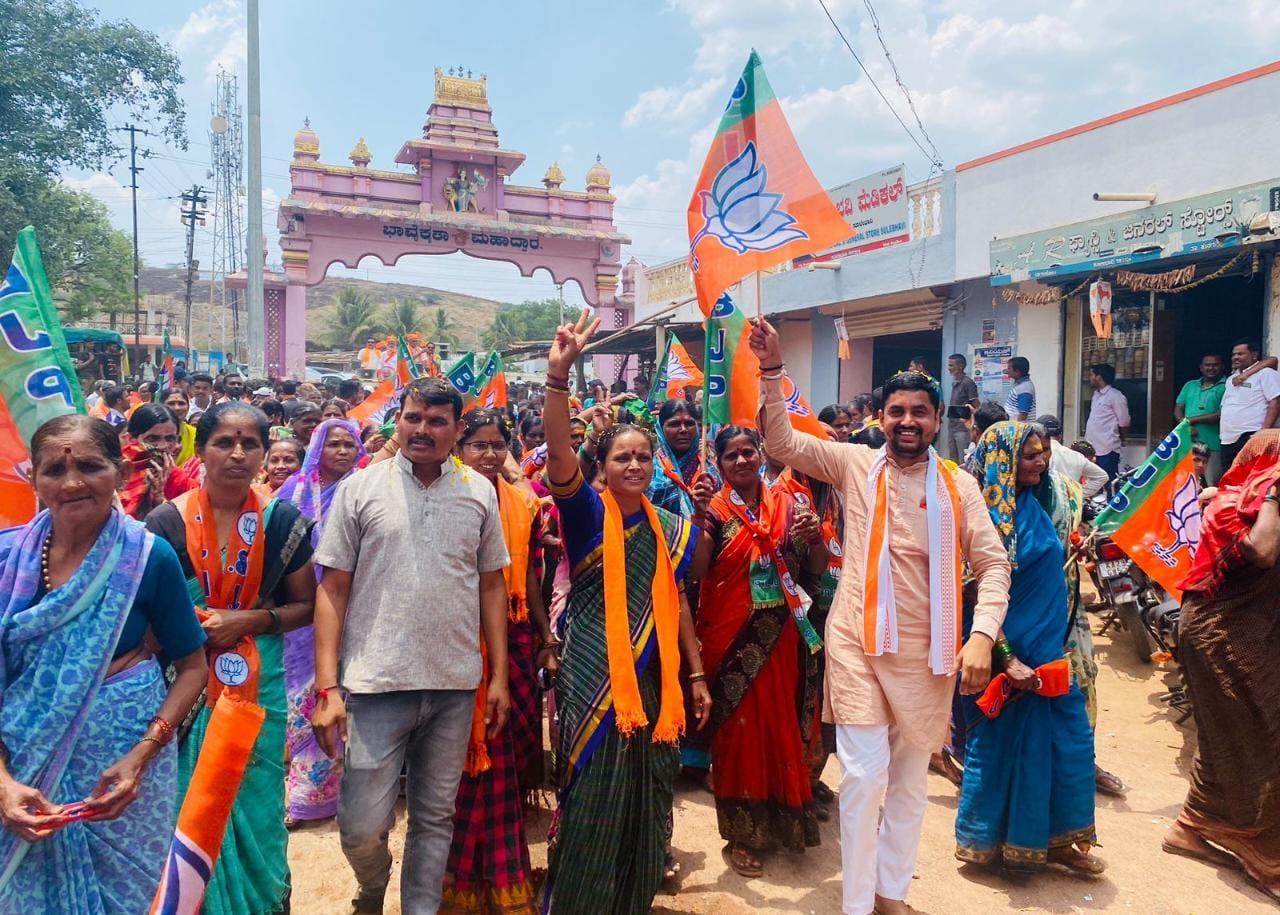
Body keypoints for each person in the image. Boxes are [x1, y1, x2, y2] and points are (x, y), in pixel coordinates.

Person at [748, 320, 1011, 915]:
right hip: (858, 643)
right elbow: (786, 445)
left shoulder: (959, 487)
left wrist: (981, 636)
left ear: (938, 419)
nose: (908, 421)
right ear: (882, 416)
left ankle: (892, 894)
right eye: (897, 411)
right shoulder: (853, 464)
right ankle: (859, 904)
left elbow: (993, 566)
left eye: (920, 411)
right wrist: (771, 371)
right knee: (865, 776)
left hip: (930, 654)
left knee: (912, 782)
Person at [309, 377, 512, 915]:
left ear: (456, 429)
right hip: (376, 684)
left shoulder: (479, 492)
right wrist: (327, 685)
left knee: (434, 817)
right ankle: (373, 886)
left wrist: (497, 679)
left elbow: (492, 584)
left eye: (436, 420)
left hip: (453, 685)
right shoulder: (359, 489)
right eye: (413, 418)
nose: (422, 430)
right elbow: (332, 589)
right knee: (360, 825)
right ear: (398, 420)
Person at [0, 415, 207, 913]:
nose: (72, 483)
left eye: (91, 466)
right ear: (34, 478)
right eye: (54, 470)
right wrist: (3, 786)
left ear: (118, 470)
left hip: (122, 781)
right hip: (18, 772)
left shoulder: (148, 557)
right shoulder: (5, 558)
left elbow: (193, 665)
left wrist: (142, 756)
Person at [540, 313, 711, 914]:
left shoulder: (673, 528)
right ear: (603, 467)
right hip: (593, 677)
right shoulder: (587, 516)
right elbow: (559, 451)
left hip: (653, 680)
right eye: (622, 458)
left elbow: (679, 600)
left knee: (646, 795)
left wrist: (693, 673)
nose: (634, 466)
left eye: (643, 456)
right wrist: (558, 377)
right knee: (592, 796)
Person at [144, 401, 318, 915]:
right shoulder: (163, 523)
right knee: (186, 799)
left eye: (251, 444)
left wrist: (248, 621)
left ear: (265, 452)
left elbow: (306, 606)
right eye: (224, 442)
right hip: (185, 680)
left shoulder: (282, 521)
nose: (238, 454)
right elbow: (148, 616)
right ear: (202, 449)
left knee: (255, 795)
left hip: (258, 681)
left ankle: (260, 903)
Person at [956, 422, 1101, 875]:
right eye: (1030, 455)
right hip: (1010, 656)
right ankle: (991, 843)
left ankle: (1055, 840)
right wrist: (1007, 658)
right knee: (1003, 747)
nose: (1041, 461)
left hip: (1050, 654)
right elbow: (975, 592)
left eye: (1042, 453)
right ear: (1003, 462)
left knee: (1066, 744)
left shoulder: (1034, 504)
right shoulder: (985, 520)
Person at [690, 425, 827, 878]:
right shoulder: (713, 509)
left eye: (749, 452)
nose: (743, 461)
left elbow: (817, 568)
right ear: (721, 463)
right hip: (731, 641)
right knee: (740, 736)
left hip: (783, 638)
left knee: (780, 727)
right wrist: (697, 516)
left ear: (762, 453)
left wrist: (815, 539)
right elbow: (699, 570)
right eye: (732, 456)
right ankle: (743, 834)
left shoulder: (790, 504)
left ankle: (786, 819)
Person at [443, 409, 557, 914]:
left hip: (510, 634)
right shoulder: (447, 497)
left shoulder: (522, 501)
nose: (489, 454)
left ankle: (505, 870)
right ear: (459, 448)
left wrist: (544, 631)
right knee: (467, 759)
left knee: (508, 750)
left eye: (496, 445)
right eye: (478, 445)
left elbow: (531, 575)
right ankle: (462, 879)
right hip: (458, 637)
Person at [1165, 430, 1280, 902]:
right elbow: (1262, 550)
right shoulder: (1235, 502)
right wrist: (1274, 492)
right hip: (1222, 635)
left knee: (1226, 737)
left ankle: (1191, 826)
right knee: (1258, 734)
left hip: (1249, 631)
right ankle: (1258, 846)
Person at [275, 419, 365, 828]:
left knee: (339, 698)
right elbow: (274, 545)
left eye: (350, 444)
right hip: (300, 613)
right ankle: (292, 789)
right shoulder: (292, 491)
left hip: (351, 607)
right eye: (335, 445)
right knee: (300, 702)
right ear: (317, 449)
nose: (343, 452)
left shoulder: (365, 488)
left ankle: (316, 796)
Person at [1219, 338, 1280, 470]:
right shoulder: (1231, 379)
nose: (1235, 357)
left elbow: (1275, 402)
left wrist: (1263, 432)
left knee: (1249, 480)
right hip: (1228, 439)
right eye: (1233, 354)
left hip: (1251, 435)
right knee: (1229, 481)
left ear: (1254, 355)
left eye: (1240, 354)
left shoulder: (1266, 373)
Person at [1175, 354, 1227, 483]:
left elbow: (1222, 414)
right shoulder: (1190, 385)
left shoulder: (1228, 385)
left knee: (1212, 483)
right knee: (1186, 481)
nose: (1211, 368)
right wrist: (1185, 425)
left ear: (1222, 367)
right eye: (1207, 365)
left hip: (1213, 443)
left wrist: (1191, 421)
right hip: (1189, 442)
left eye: (1215, 365)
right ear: (1201, 368)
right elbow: (1178, 409)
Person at [647, 399, 702, 517]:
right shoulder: (649, 470)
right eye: (674, 424)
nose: (683, 429)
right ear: (660, 429)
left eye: (689, 423)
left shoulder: (708, 469)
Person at [1038, 415, 1108, 499]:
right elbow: (1102, 476)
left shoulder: (1033, 456)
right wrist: (1076, 495)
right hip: (1068, 506)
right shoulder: (1076, 456)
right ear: (1060, 435)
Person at [1084, 364, 1130, 480]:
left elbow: (1124, 422)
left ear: (1099, 377)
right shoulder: (1096, 395)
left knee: (1109, 482)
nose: (1090, 378)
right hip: (1092, 448)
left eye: (1092, 375)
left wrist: (1123, 439)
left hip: (1107, 448)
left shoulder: (1116, 396)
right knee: (1093, 482)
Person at [946, 354, 980, 463]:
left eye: (951, 365)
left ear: (960, 366)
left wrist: (977, 424)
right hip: (952, 427)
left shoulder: (968, 383)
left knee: (963, 460)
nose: (949, 368)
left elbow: (976, 404)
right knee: (953, 460)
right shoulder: (955, 382)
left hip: (963, 429)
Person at [162, 387, 198, 463]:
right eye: (171, 403)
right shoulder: (152, 432)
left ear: (188, 407)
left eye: (181, 403)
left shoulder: (196, 434)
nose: (177, 408)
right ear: (162, 406)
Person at [1004, 356, 1036, 421]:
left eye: (1009, 368)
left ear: (1017, 372)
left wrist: (1014, 429)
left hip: (1017, 427)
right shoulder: (1020, 384)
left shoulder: (1025, 389)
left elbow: (1023, 416)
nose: (1007, 371)